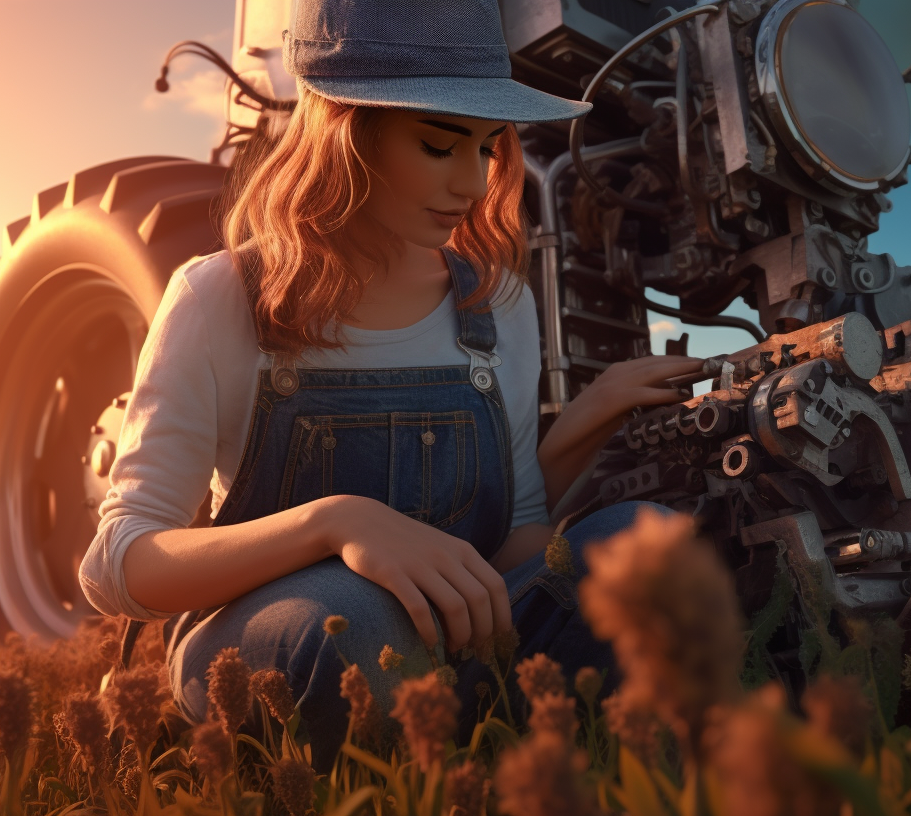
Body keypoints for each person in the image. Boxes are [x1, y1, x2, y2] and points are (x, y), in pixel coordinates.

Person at [76, 0, 704, 772]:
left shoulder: (497, 304)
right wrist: (332, 523)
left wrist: (591, 426)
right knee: (358, 621)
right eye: (440, 145)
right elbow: (122, 563)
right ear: (347, 135)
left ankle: (515, 737)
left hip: (456, 629)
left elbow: (517, 530)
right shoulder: (219, 297)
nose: (474, 183)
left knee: (645, 547)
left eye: (487, 148)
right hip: (291, 637)